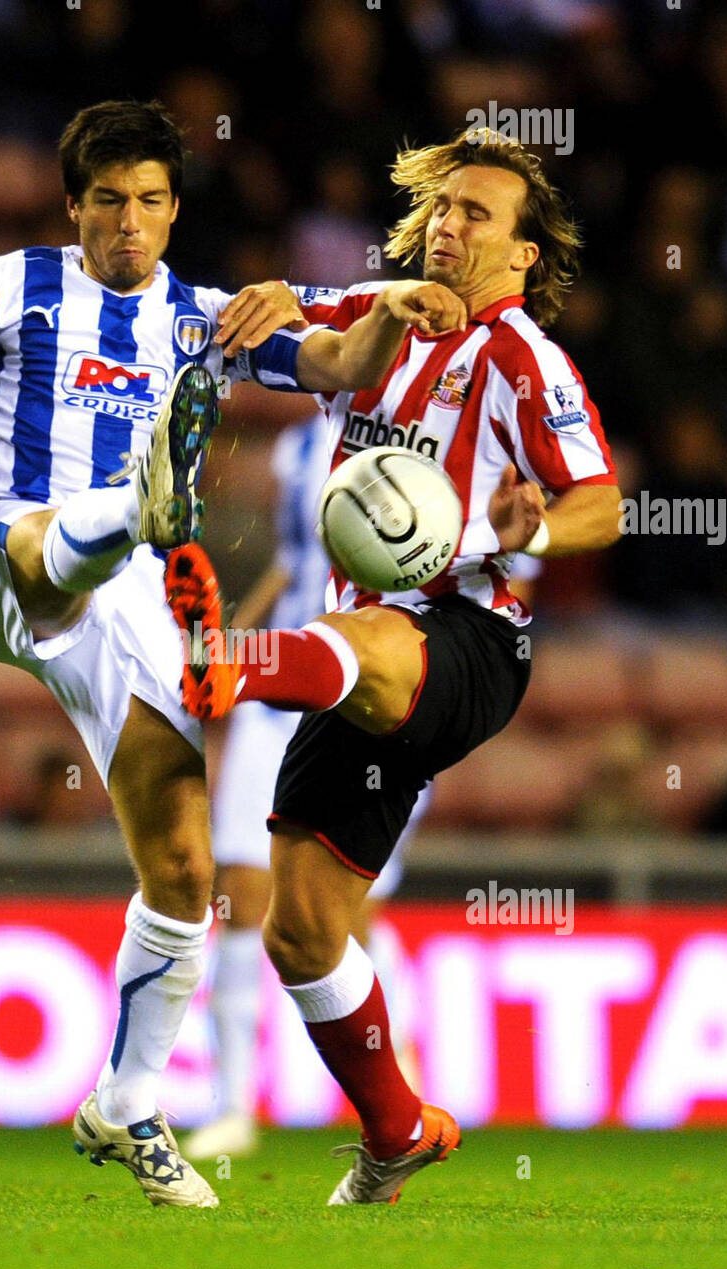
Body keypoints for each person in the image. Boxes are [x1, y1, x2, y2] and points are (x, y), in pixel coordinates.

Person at [0, 100, 467, 1208]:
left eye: (147, 202)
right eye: (106, 203)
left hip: (132, 596)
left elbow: (334, 358)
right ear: (72, 207)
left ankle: (127, 1104)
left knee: (184, 867)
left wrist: (398, 306)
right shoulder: (11, 284)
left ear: (173, 209)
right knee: (56, 548)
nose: (127, 224)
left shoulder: (202, 315)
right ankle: (133, 510)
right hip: (5, 559)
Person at [168, 127, 622, 1204]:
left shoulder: (521, 358)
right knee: (299, 926)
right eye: (444, 208)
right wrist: (259, 300)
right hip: (350, 665)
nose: (453, 226)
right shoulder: (366, 319)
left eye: (480, 216)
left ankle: (225, 665)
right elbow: (241, 331)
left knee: (374, 640)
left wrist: (535, 527)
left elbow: (599, 502)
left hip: (467, 638)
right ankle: (395, 1129)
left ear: (520, 256)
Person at [187, 411, 429, 1160]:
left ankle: (400, 1096)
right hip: (285, 686)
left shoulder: (419, 436)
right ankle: (232, 1107)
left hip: (369, 696)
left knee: (348, 913)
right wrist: (224, 651)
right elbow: (296, 564)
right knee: (235, 888)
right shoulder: (296, 447)